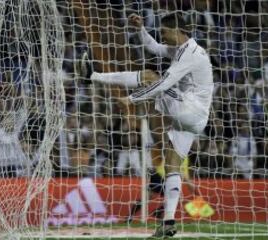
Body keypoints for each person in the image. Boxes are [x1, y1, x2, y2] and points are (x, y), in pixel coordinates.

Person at [76, 13, 214, 237]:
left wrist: (130, 100)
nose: (163, 36)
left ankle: (93, 76)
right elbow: (155, 48)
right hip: (195, 120)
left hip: (190, 109)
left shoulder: (189, 54)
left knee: (150, 76)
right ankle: (168, 222)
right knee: (172, 165)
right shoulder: (183, 48)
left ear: (176, 30)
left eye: (165, 32)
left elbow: (162, 85)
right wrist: (141, 30)